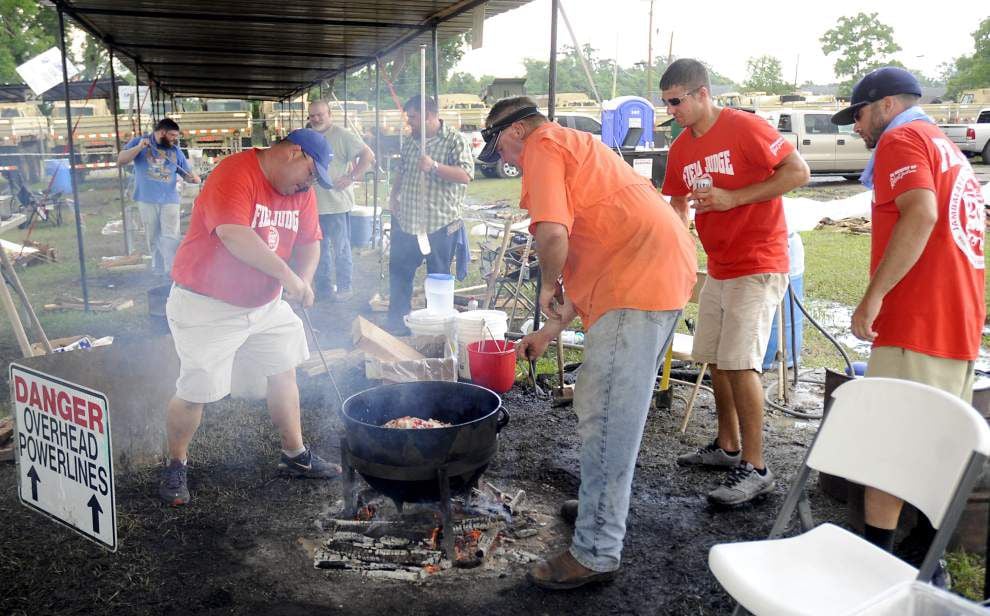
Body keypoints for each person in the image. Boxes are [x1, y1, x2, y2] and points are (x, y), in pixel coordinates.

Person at [480, 96, 697, 589]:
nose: (507, 164)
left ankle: (597, 549)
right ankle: (601, 506)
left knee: (605, 417)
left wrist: (544, 286)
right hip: (650, 274)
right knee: (611, 412)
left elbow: (553, 234)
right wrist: (548, 329)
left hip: (637, 285)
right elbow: (594, 248)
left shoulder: (542, 143)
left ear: (514, 132)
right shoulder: (575, 147)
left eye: (502, 153)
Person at [831, 66, 986, 583]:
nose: (857, 127)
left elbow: (920, 214)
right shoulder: (946, 146)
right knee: (930, 446)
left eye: (859, 114)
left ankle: (877, 569)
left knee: (889, 452)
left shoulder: (903, 139)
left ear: (886, 106)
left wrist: (872, 298)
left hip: (918, 320)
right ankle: (924, 559)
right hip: (956, 322)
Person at [158, 129, 340, 507]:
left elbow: (310, 241)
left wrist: (303, 279)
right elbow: (234, 235)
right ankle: (176, 462)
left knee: (284, 367)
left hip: (265, 304)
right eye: (311, 173)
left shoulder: (300, 193)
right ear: (294, 153)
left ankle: (294, 455)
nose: (310, 184)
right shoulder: (234, 172)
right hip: (207, 304)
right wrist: (287, 277)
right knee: (196, 392)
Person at [659, 58, 810, 507]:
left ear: (703, 93)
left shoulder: (746, 127)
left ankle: (757, 467)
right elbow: (677, 202)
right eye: (666, 103)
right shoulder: (681, 147)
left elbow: (797, 172)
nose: (671, 111)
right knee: (717, 361)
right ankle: (727, 447)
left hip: (759, 261)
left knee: (742, 363)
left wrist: (733, 198)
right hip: (719, 265)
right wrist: (680, 242)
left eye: (676, 101)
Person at [386, 95, 474, 333]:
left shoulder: (454, 140)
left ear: (428, 115)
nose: (409, 123)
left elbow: (465, 175)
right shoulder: (411, 141)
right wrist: (394, 196)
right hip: (408, 221)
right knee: (399, 274)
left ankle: (435, 328)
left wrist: (434, 166)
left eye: (413, 117)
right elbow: (402, 171)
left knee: (438, 280)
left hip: (440, 225)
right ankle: (397, 324)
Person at [306, 100, 375, 301]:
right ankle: (324, 289)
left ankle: (345, 288)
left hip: (336, 204)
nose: (316, 119)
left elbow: (368, 155)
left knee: (341, 248)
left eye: (320, 114)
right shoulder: (307, 137)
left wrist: (351, 177)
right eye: (312, 116)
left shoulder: (342, 135)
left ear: (330, 114)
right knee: (318, 250)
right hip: (312, 205)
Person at [118, 118, 201, 276]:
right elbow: (121, 160)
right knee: (153, 234)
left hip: (170, 199)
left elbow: (186, 173)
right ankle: (158, 266)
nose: (175, 139)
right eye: (172, 135)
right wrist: (138, 147)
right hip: (146, 198)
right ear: (162, 132)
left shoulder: (175, 150)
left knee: (170, 235)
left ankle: (172, 269)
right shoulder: (139, 142)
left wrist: (193, 178)